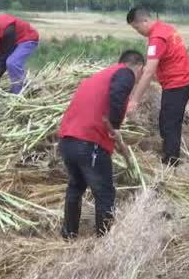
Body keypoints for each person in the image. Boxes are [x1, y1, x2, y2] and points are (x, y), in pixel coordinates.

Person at [58, 50, 145, 238]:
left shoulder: (98, 77)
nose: (137, 79)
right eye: (140, 74)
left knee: (76, 186)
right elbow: (118, 93)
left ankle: (69, 234)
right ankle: (105, 241)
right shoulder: (125, 73)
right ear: (139, 67)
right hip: (89, 142)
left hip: (67, 140)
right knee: (104, 193)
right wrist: (115, 124)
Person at [126, 6, 189, 167]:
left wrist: (134, 100)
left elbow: (150, 70)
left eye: (136, 28)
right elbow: (162, 62)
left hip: (178, 84)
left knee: (169, 123)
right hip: (184, 81)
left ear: (144, 20)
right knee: (167, 119)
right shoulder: (165, 28)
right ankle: (169, 154)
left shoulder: (157, 38)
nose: (138, 31)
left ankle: (171, 162)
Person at [0, 9, 39, 94]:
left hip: (25, 39)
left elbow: (6, 54)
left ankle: (18, 93)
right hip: (2, 43)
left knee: (12, 62)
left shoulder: (6, 28)